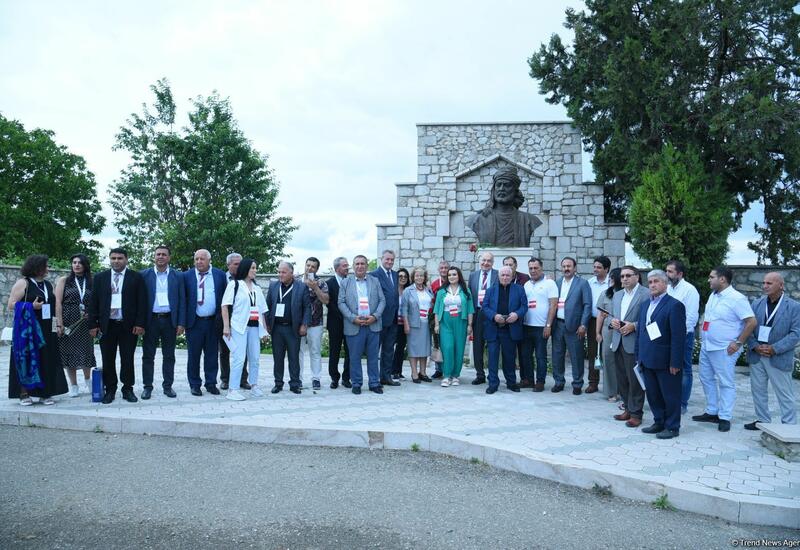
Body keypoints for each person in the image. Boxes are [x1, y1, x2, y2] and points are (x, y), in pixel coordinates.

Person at [692, 266, 757, 432]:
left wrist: (738, 343)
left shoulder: (737, 298)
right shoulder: (713, 295)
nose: (708, 280)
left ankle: (725, 416)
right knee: (706, 378)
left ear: (722, 279)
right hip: (707, 346)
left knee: (725, 382)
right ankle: (712, 411)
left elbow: (751, 322)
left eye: (711, 277)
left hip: (724, 348)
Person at [89, 248, 147, 404]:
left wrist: (140, 323)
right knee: (108, 359)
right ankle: (110, 389)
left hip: (128, 326)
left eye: (120, 258)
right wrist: (93, 324)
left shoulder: (136, 277)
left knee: (127, 359)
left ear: (126, 259)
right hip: (106, 325)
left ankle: (127, 389)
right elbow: (93, 302)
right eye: (113, 258)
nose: (116, 261)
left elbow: (142, 302)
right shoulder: (100, 277)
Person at [8, 255, 68, 405]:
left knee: (47, 359)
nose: (48, 268)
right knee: (27, 359)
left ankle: (45, 393)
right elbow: (11, 304)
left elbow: (52, 308)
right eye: (45, 266)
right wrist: (31, 306)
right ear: (36, 267)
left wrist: (57, 326)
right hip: (28, 330)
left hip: (47, 329)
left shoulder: (47, 284)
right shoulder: (23, 283)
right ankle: (24, 394)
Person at [636, 270, 687, 439]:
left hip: (665, 360)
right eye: (650, 282)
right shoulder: (645, 305)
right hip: (647, 358)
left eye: (656, 281)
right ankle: (659, 421)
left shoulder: (675, 305)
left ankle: (672, 426)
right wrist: (638, 355)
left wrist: (675, 362)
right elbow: (641, 332)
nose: (652, 285)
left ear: (665, 284)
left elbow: (678, 337)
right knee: (653, 394)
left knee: (670, 395)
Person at [745, 272, 799, 428]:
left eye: (769, 283)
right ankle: (763, 420)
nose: (764, 286)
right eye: (764, 283)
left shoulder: (794, 306)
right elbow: (748, 327)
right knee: (758, 391)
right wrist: (755, 346)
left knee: (784, 393)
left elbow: (796, 333)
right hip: (757, 355)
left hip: (778, 356)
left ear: (781, 285)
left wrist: (775, 348)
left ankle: (789, 425)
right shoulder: (757, 304)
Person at [140, 245, 185, 399]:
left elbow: (182, 300)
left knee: (169, 356)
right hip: (150, 321)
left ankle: (168, 387)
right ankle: (147, 387)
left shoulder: (178, 276)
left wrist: (181, 323)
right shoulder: (144, 275)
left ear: (169, 257)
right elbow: (139, 301)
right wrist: (140, 323)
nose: (160, 257)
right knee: (148, 356)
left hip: (169, 320)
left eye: (164, 254)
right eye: (158, 254)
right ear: (154, 256)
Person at [221, 258, 269, 401]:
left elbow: (262, 310)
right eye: (252, 268)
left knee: (255, 357)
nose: (255, 270)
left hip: (254, 327)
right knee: (239, 358)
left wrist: (265, 330)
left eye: (255, 268)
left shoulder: (257, 288)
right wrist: (226, 326)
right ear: (245, 269)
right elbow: (224, 306)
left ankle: (254, 385)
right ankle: (233, 389)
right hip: (239, 327)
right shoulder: (234, 285)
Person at [182, 249, 227, 396]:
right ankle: (194, 384)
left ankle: (211, 383)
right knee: (193, 355)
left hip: (213, 322)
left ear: (209, 260)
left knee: (212, 355)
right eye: (196, 259)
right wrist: (182, 322)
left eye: (202, 259)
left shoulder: (219, 275)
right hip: (194, 322)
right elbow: (183, 300)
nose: (199, 262)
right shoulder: (187, 276)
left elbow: (225, 299)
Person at [339, 255, 385, 394]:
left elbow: (382, 301)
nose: (360, 266)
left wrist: (375, 316)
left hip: (373, 324)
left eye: (363, 263)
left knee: (373, 357)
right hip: (354, 325)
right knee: (354, 357)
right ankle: (357, 383)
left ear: (367, 266)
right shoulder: (345, 282)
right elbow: (341, 302)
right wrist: (353, 318)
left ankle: (374, 383)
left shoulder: (375, 281)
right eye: (357, 264)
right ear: (353, 266)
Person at [609, 266, 650, 427]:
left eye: (628, 275)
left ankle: (636, 413)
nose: (624, 279)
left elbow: (651, 318)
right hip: (618, 341)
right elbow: (612, 316)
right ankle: (627, 408)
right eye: (622, 276)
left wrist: (634, 326)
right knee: (622, 379)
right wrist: (612, 322)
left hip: (634, 343)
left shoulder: (646, 294)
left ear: (637, 277)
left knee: (635, 380)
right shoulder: (618, 295)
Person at [467, 167, 542, 247]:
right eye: (498, 185)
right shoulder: (478, 220)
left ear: (515, 191)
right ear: (494, 189)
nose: (501, 189)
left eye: (507, 185)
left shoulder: (529, 220)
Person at [266, 261, 310, 394]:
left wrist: (304, 324)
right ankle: (278, 383)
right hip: (277, 329)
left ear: (291, 273)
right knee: (278, 358)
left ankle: (295, 384)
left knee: (294, 358)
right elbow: (267, 306)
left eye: (283, 272)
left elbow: (307, 307)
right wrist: (267, 324)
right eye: (279, 272)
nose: (280, 274)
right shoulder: (273, 286)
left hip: (293, 328)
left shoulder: (301, 287)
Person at [54, 253, 95, 397]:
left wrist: (92, 314)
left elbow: (96, 301)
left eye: (80, 262)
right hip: (68, 320)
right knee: (68, 352)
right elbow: (57, 302)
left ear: (85, 265)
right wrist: (59, 323)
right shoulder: (64, 280)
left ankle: (88, 380)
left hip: (85, 322)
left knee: (86, 352)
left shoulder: (91, 281)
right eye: (74, 262)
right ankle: (74, 385)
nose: (76, 265)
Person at [481, 266, 527, 394]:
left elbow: (524, 306)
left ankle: (511, 382)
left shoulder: (519, 289)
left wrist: (517, 314)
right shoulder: (490, 290)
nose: (505, 277)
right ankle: (493, 384)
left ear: (512, 277)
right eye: (503, 275)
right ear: (498, 276)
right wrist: (494, 316)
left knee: (509, 358)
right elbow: (485, 307)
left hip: (510, 329)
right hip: (494, 329)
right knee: (493, 358)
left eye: (508, 275)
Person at [551, 257, 592, 394]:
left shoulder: (583, 283)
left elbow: (587, 305)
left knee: (576, 356)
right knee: (557, 355)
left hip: (575, 326)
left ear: (575, 268)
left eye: (569, 266)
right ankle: (559, 382)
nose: (566, 269)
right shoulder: (556, 283)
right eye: (564, 266)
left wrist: (583, 325)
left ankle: (577, 384)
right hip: (558, 325)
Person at [665, 260, 701, 414]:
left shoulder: (689, 290)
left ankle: (682, 404)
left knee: (684, 369)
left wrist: (677, 335)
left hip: (684, 336)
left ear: (680, 274)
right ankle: (670, 400)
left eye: (670, 272)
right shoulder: (667, 288)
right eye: (666, 271)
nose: (667, 274)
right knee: (669, 368)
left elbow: (691, 318)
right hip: (667, 336)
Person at [520, 258, 558, 392]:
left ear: (541, 268)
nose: (533, 270)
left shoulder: (550, 283)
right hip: (526, 325)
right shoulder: (526, 285)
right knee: (526, 355)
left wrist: (548, 325)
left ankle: (540, 382)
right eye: (530, 268)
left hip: (541, 327)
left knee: (540, 356)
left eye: (536, 268)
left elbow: (553, 305)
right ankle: (529, 380)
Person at [433, 267, 474, 386]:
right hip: (445, 322)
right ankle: (446, 375)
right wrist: (436, 324)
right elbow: (436, 310)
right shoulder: (442, 291)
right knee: (447, 347)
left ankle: (455, 375)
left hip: (461, 321)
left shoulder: (466, 291)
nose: (451, 277)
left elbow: (470, 310)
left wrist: (470, 325)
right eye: (449, 275)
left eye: (454, 274)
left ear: (459, 276)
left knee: (459, 348)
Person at [220, 253, 250, 391]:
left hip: (241, 321)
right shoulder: (221, 278)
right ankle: (225, 379)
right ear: (228, 265)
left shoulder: (246, 280)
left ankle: (243, 379)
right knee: (225, 351)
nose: (239, 267)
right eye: (236, 264)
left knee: (242, 351)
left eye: (240, 264)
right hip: (224, 320)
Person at [468, 251, 498, 384]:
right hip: (478, 313)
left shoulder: (498, 275)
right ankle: (480, 374)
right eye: (483, 260)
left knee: (493, 345)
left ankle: (493, 375)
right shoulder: (473, 276)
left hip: (492, 314)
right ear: (479, 261)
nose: (486, 263)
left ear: (493, 263)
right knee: (478, 345)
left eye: (489, 261)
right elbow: (470, 297)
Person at [299, 257, 329, 390]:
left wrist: (315, 288)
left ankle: (316, 378)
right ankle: (298, 378)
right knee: (298, 352)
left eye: (313, 267)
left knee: (315, 351)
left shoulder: (321, 283)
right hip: (299, 323)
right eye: (308, 265)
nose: (309, 268)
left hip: (316, 322)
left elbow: (326, 300)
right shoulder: (296, 281)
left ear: (317, 269)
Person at [371, 249, 400, 387]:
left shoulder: (395, 274)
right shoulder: (374, 275)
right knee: (374, 350)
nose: (389, 262)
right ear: (381, 259)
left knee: (389, 350)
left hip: (393, 319)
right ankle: (374, 379)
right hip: (379, 319)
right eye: (387, 259)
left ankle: (386, 377)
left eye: (392, 260)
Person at [402, 267, 433, 383]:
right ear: (413, 277)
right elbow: (404, 309)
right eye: (417, 275)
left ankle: (423, 372)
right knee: (413, 349)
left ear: (425, 277)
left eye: (421, 275)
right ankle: (414, 373)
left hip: (426, 323)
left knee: (425, 348)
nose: (419, 277)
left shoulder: (428, 290)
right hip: (414, 323)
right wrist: (406, 324)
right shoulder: (408, 291)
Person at [595, 268, 622, 401]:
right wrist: (598, 332)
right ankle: (612, 392)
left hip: (624, 330)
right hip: (608, 331)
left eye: (612, 277)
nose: (610, 280)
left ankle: (624, 391)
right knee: (608, 360)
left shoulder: (626, 294)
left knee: (623, 362)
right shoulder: (605, 294)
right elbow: (600, 315)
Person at [586, 256, 611, 394]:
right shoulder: (589, 283)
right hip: (593, 321)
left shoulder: (612, 283)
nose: (595, 269)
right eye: (594, 267)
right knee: (593, 352)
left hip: (609, 322)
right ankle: (593, 382)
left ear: (606, 269)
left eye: (599, 267)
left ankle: (610, 384)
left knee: (608, 353)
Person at [326, 257, 351, 389]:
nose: (348, 267)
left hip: (350, 323)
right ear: (337, 268)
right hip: (335, 323)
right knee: (334, 352)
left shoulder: (351, 281)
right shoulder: (328, 283)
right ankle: (334, 378)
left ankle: (346, 378)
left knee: (350, 351)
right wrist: (344, 313)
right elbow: (329, 303)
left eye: (347, 265)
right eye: (344, 265)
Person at [429, 260, 450, 379]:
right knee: (437, 343)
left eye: (446, 268)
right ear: (438, 270)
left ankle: (449, 368)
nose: (444, 270)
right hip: (436, 317)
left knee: (449, 344)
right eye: (441, 268)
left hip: (450, 317)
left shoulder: (454, 281)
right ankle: (438, 369)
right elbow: (431, 301)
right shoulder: (435, 284)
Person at [392, 268, 411, 380]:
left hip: (404, 323)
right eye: (400, 276)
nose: (403, 278)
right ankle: (390, 370)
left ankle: (398, 371)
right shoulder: (392, 290)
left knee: (401, 348)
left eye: (405, 276)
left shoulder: (408, 291)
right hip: (393, 322)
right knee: (390, 348)